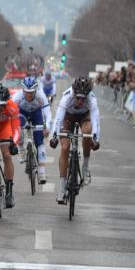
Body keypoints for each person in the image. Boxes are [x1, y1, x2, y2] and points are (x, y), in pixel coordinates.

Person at [49, 76, 100, 204]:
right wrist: (54, 135)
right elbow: (58, 118)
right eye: (77, 97)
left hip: (84, 117)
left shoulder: (92, 100)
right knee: (65, 147)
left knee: (87, 132)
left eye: (83, 98)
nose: (80, 101)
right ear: (73, 93)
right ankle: (61, 189)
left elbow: (95, 120)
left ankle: (85, 167)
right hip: (68, 118)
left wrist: (95, 138)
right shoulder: (66, 97)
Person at [11, 76, 52, 183]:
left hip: (36, 113)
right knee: (18, 127)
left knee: (39, 142)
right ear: (22, 90)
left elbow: (48, 113)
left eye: (31, 92)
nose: (29, 95)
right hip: (22, 112)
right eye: (26, 92)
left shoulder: (41, 96)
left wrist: (46, 127)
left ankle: (42, 172)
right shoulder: (17, 97)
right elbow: (10, 115)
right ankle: (21, 149)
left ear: (36, 90)